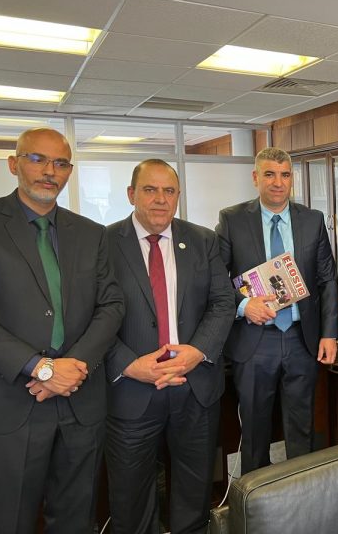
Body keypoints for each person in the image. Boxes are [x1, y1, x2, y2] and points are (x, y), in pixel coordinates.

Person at [0, 128, 124, 533]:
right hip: (10, 403)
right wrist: (41, 368)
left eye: (60, 163)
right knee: (6, 521)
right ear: (14, 164)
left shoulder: (91, 233)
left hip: (80, 401)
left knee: (76, 520)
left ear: (69, 172)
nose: (49, 171)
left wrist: (72, 366)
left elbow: (111, 305)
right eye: (37, 159)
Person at [104, 159, 236, 534]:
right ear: (131, 194)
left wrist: (198, 351)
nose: (160, 199)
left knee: (194, 492)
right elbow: (91, 315)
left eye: (169, 191)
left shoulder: (203, 240)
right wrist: (128, 364)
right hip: (132, 390)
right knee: (130, 498)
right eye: (150, 190)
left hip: (195, 387)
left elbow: (223, 302)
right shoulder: (104, 243)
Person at [216, 147, 338, 474]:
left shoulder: (312, 220)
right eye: (269, 174)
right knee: (255, 429)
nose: (278, 182)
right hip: (255, 340)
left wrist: (329, 334)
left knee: (301, 427)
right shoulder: (232, 220)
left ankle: (298, 493)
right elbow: (214, 279)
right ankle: (256, 496)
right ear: (255, 177)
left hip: (301, 339)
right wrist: (244, 305)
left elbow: (327, 280)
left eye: (285, 175)